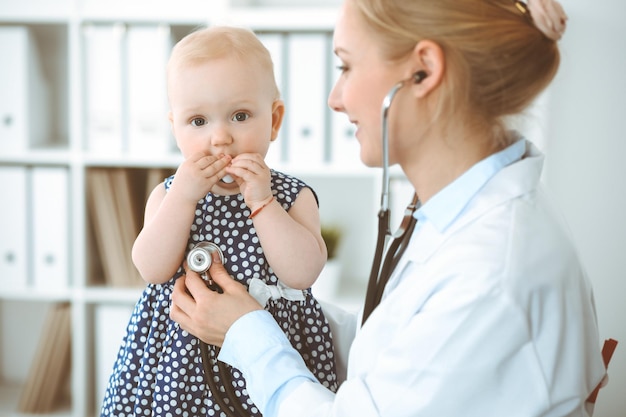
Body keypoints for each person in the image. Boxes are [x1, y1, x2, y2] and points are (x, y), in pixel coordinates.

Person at [169, 0, 609, 416]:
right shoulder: (461, 213)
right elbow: (402, 357)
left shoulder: (492, 273)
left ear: (423, 71)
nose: (335, 99)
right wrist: (269, 304)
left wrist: (247, 333)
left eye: (346, 66)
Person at [100, 26, 338, 417]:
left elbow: (303, 274)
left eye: (240, 116)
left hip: (264, 357)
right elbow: (151, 268)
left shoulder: (293, 197)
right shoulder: (168, 194)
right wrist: (183, 198)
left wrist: (262, 202)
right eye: (198, 122)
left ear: (274, 120)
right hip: (176, 360)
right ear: (175, 128)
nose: (220, 137)